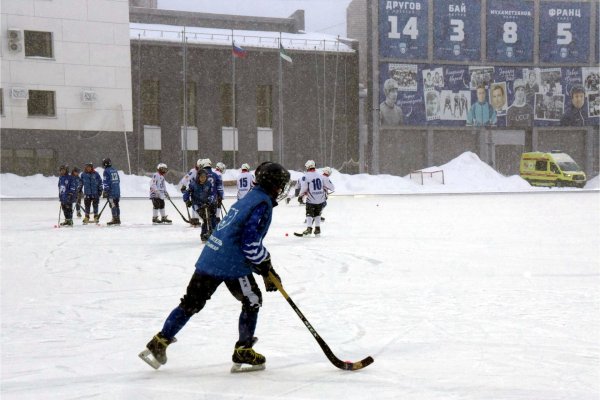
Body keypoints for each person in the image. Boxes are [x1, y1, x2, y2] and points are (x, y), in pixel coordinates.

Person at [139, 162, 291, 372]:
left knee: (191, 302)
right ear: (273, 184)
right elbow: (249, 243)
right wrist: (266, 267)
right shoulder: (261, 203)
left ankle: (160, 341)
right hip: (231, 263)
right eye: (281, 184)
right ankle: (243, 350)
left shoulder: (249, 197)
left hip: (210, 256)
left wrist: (265, 268)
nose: (282, 189)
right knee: (252, 299)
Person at [298, 160, 334, 236]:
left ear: (307, 167)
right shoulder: (320, 176)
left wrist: (300, 196)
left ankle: (309, 229)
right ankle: (317, 229)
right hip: (321, 199)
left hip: (311, 199)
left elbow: (304, 188)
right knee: (318, 213)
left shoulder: (306, 176)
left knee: (309, 213)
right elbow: (331, 187)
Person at [184, 169, 214, 242]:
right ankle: (204, 235)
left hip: (206, 204)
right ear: (198, 177)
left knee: (210, 217)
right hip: (197, 204)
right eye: (201, 177)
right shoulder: (193, 185)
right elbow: (186, 193)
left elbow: (211, 194)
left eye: (204, 177)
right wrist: (187, 200)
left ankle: (209, 232)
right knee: (205, 217)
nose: (203, 179)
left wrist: (209, 201)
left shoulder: (208, 184)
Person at [199, 159, 224, 230]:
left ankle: (204, 234)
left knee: (205, 218)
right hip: (213, 199)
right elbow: (219, 187)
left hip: (203, 199)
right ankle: (213, 232)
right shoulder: (215, 175)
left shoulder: (201, 175)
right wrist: (220, 196)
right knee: (213, 216)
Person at [179, 159, 202, 227]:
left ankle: (196, 218)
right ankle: (195, 218)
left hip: (200, 190)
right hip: (194, 190)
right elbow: (186, 178)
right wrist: (184, 186)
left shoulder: (202, 172)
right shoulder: (193, 171)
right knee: (195, 203)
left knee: (199, 204)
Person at [102, 158, 121, 226]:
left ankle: (114, 218)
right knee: (117, 204)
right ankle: (118, 218)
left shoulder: (106, 171)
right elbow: (118, 180)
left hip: (111, 191)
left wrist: (106, 191)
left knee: (112, 204)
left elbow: (106, 182)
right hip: (117, 190)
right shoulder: (114, 170)